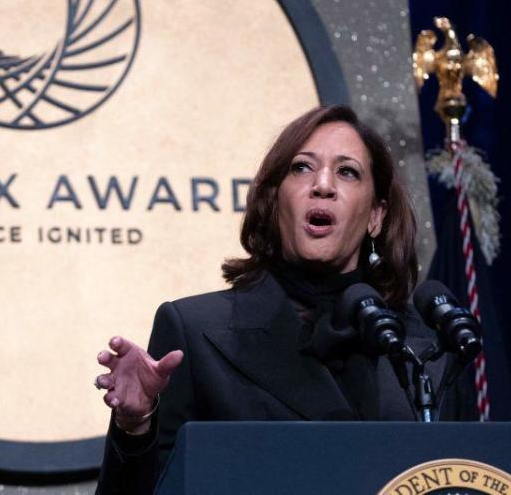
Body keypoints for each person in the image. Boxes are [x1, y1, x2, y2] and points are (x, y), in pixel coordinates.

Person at [93, 105, 476, 494]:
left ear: (376, 216)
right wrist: (135, 425)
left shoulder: (427, 350)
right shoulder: (196, 331)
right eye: (302, 167)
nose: (323, 184)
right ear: (275, 201)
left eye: (347, 171)